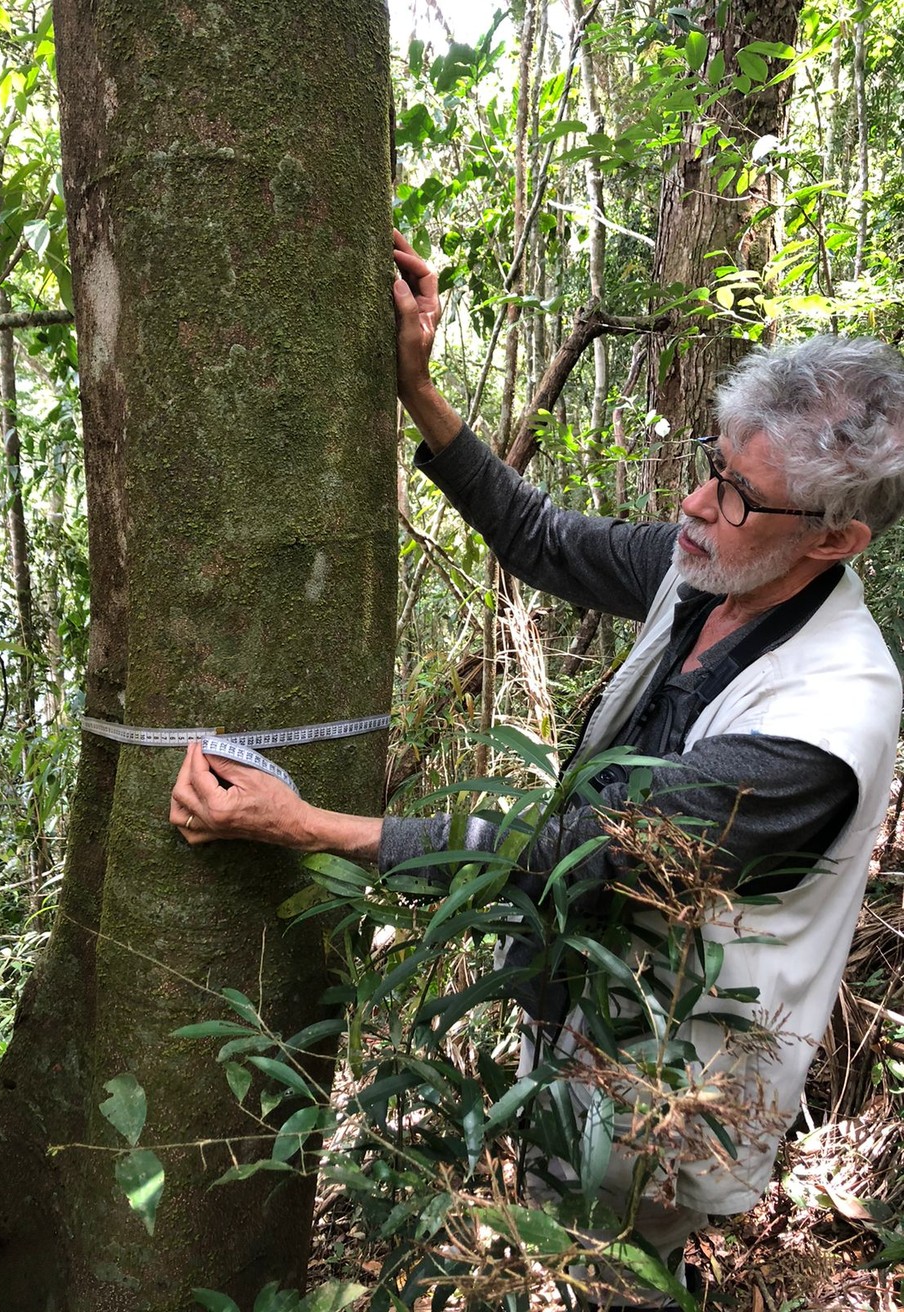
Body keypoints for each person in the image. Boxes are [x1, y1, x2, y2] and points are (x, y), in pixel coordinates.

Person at [170, 232, 904, 1308]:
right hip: (575, 1035)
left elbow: (576, 855)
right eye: (712, 466)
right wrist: (419, 391)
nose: (697, 506)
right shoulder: (713, 567)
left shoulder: (826, 716)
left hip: (666, 1096)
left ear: (834, 542)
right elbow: (543, 538)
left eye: (738, 493)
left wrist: (311, 826)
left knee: (615, 1272)